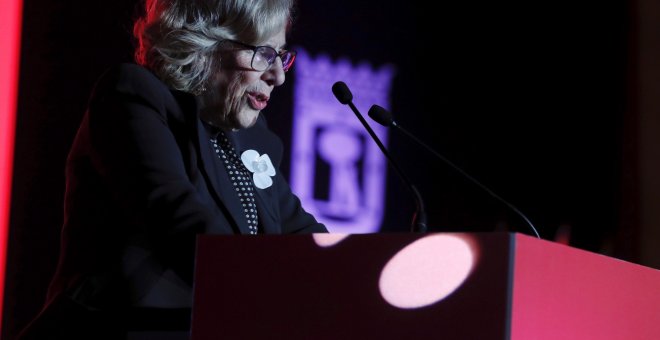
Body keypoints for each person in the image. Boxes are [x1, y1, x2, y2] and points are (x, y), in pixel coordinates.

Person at [17, 0, 326, 338]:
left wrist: (355, 272)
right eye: (264, 54)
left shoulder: (249, 137)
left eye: (280, 56)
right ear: (205, 44)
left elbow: (301, 234)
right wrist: (271, 294)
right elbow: (176, 217)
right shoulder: (133, 94)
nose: (277, 75)